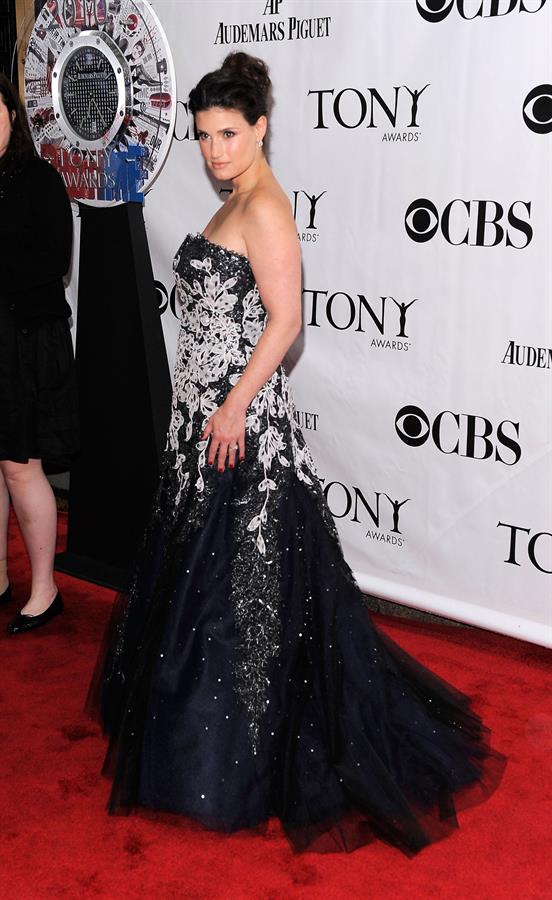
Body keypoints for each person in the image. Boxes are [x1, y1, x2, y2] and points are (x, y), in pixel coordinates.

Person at [89, 53, 505, 854]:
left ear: (261, 129)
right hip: (202, 425)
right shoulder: (235, 197)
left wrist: (235, 405)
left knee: (244, 595)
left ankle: (239, 758)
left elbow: (287, 320)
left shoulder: (266, 208)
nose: (214, 151)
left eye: (229, 135)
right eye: (204, 135)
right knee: (205, 590)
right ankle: (197, 741)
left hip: (239, 430)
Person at [0, 74, 78, 634]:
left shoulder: (41, 181)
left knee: (19, 465)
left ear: (12, 113)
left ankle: (44, 590)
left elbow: (54, 265)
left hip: (25, 341)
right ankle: (0, 578)